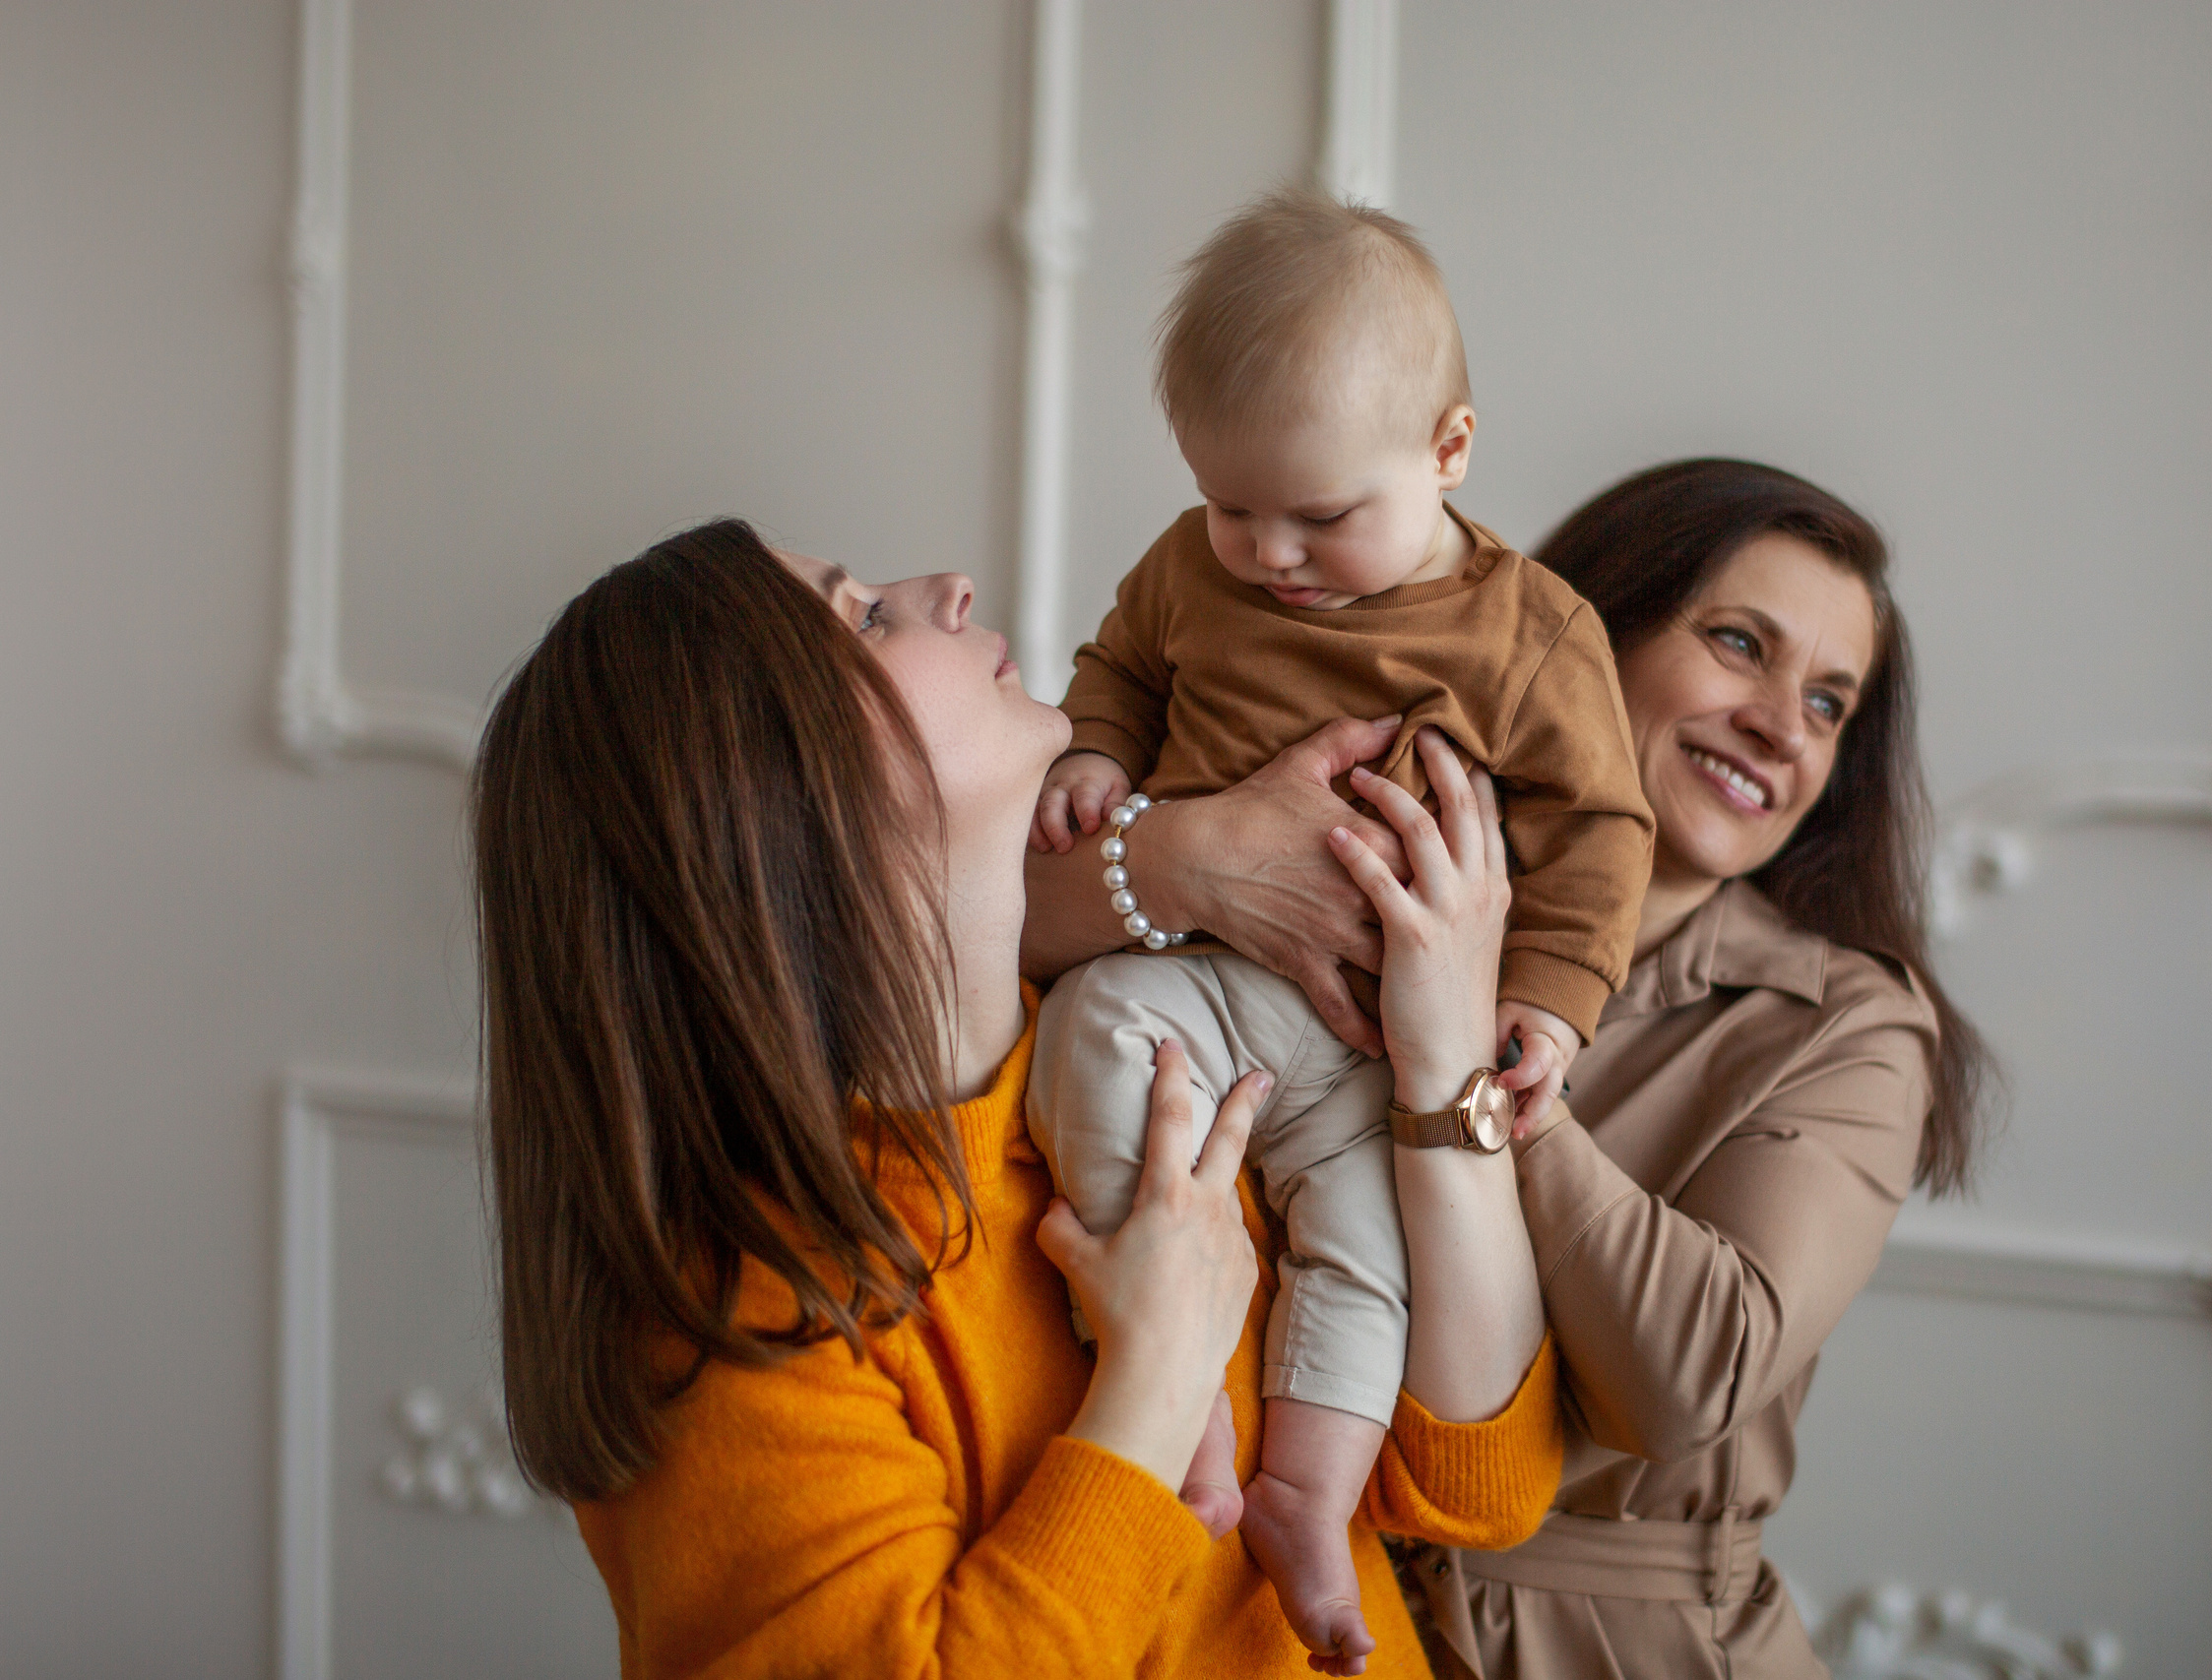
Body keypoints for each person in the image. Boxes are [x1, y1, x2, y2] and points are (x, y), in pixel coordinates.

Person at [472, 519, 1562, 1680]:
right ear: (762, 804)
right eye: (863, 617)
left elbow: (1472, 1487)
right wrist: (1154, 1374)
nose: (946, 585)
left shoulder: (1153, 1059)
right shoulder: (739, 1320)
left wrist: (1444, 1047)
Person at [1025, 460, 1994, 1678]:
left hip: (1621, 1649)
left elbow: (1689, 1382)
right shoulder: (1353, 856)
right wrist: (1182, 856)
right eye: (1740, 644)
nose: (1778, 725)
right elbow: (983, 932)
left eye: (1828, 704)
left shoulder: (1844, 1024)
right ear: (1580, 635)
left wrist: (1465, 1048)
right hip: (1289, 1605)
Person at [1026, 187, 1654, 1668]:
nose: (1270, 553)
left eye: (1319, 516)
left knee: (1363, 1250)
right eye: (1232, 506)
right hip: (1188, 981)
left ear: (1448, 449)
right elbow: (1117, 664)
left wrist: (1550, 1007)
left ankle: (1304, 1488)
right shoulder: (1193, 566)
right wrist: (1093, 757)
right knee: (1089, 1033)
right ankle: (1178, 1396)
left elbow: (1599, 828)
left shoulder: (1529, 634)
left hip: (1374, 1044)